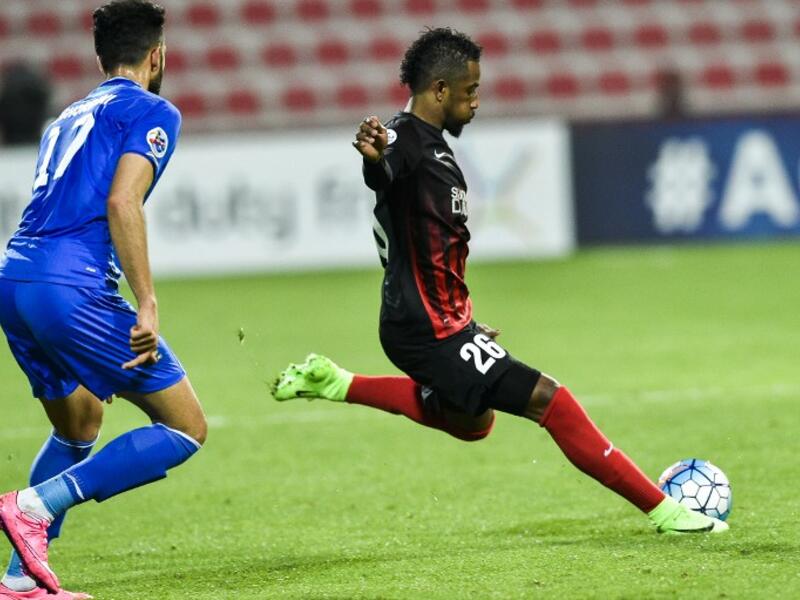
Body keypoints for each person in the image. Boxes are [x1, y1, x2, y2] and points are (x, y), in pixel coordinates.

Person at [272, 28, 727, 537]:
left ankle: (336, 381)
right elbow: (385, 167)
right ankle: (666, 511)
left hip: (432, 321)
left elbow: (435, 253)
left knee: (474, 423)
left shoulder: (434, 149)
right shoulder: (405, 142)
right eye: (469, 91)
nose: (476, 102)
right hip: (425, 329)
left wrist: (464, 321)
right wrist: (374, 159)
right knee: (551, 400)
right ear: (439, 90)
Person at [0, 1, 207, 598]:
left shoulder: (66, 116)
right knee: (185, 426)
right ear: (157, 54)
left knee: (80, 422)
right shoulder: (152, 109)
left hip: (16, 279)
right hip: (69, 286)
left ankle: (19, 581)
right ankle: (35, 504)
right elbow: (122, 203)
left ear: (100, 57)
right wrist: (146, 300)